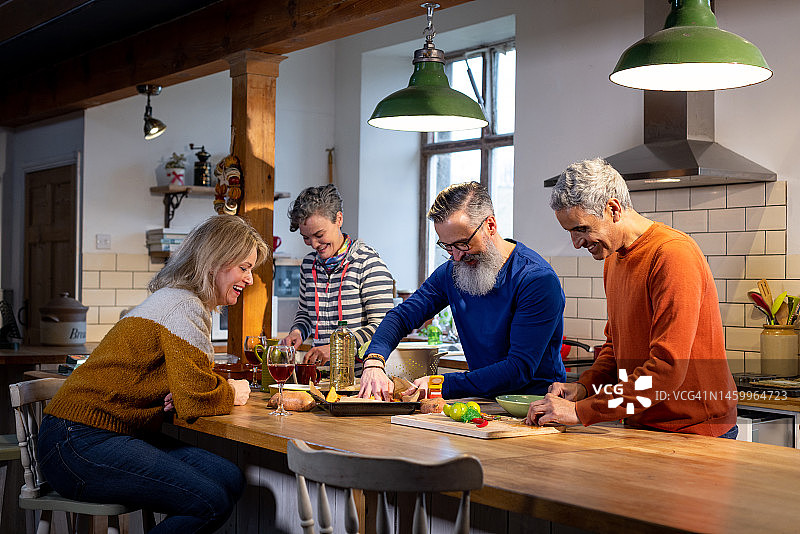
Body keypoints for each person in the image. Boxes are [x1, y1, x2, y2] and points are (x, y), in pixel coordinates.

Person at [38, 215, 270, 533]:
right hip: (78, 442)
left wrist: (195, 390)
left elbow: (192, 386)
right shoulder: (184, 307)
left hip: (99, 434)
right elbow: (195, 400)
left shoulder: (179, 300)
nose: (250, 279)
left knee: (229, 478)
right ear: (217, 260)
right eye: (244, 267)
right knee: (210, 502)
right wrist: (232, 392)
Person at [528, 157, 738, 438]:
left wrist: (581, 411)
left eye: (581, 229)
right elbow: (615, 347)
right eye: (570, 232)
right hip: (643, 425)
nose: (577, 243)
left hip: (695, 430)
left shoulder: (672, 255)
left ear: (613, 209)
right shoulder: (613, 259)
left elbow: (667, 370)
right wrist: (585, 388)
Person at [359, 181, 566, 400]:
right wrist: (373, 361)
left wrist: (441, 384)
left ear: (490, 225)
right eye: (447, 246)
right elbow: (401, 316)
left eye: (462, 244)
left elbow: (518, 369)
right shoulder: (452, 272)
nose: (456, 256)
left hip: (537, 406)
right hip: (485, 404)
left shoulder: (536, 279)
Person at [281, 184, 395, 368]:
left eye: (319, 234)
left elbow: (385, 328)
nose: (313, 244)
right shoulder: (309, 265)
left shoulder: (367, 263)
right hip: (322, 378)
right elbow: (305, 314)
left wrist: (337, 347)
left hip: (360, 381)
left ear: (338, 219)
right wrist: (297, 332)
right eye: (306, 237)